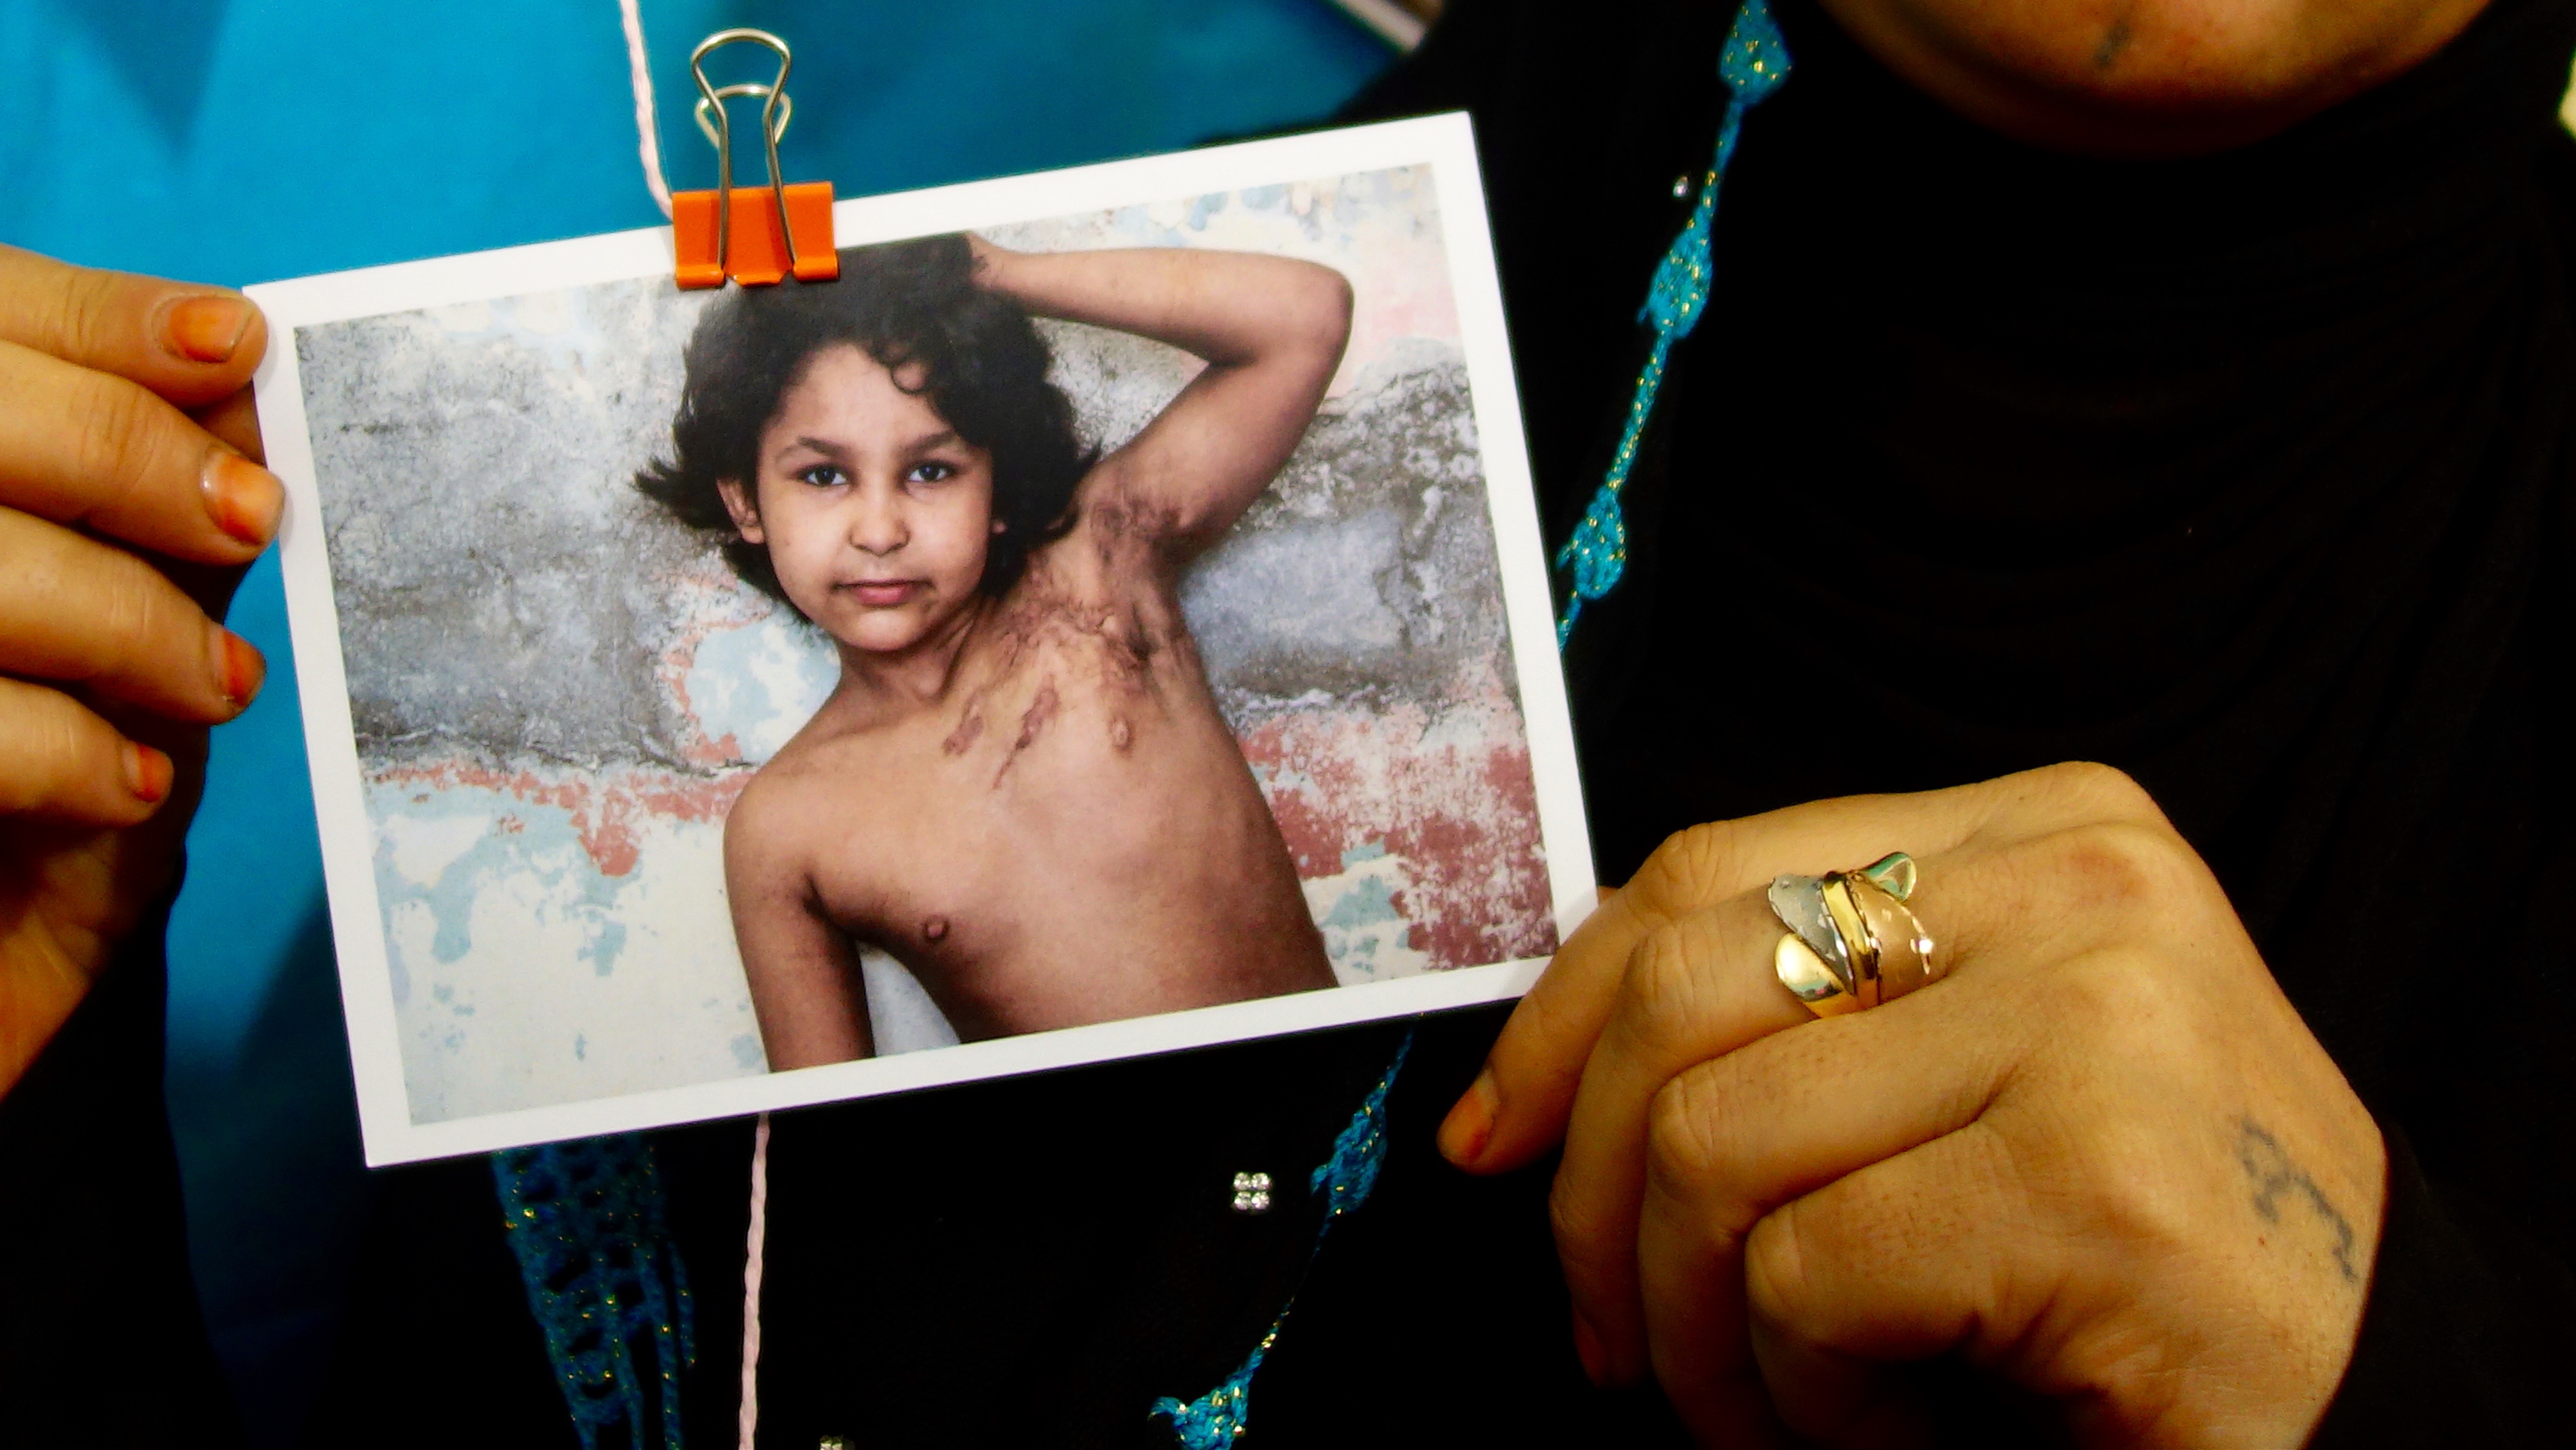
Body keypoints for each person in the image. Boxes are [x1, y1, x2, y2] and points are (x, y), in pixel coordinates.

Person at [5, 0, 2574, 1442]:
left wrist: (2392, 1392)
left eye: (924, 455)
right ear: (729, 534)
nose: (885, 520)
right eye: (817, 472)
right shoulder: (769, 822)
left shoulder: (1117, 545)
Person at [635, 234, 1346, 1066]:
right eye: (824, 477)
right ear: (746, 503)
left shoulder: (1095, 573)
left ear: (999, 490)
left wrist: (980, 272)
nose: (879, 531)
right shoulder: (786, 828)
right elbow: (832, 1137)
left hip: (1344, 1119)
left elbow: (1306, 317)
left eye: (931, 471)